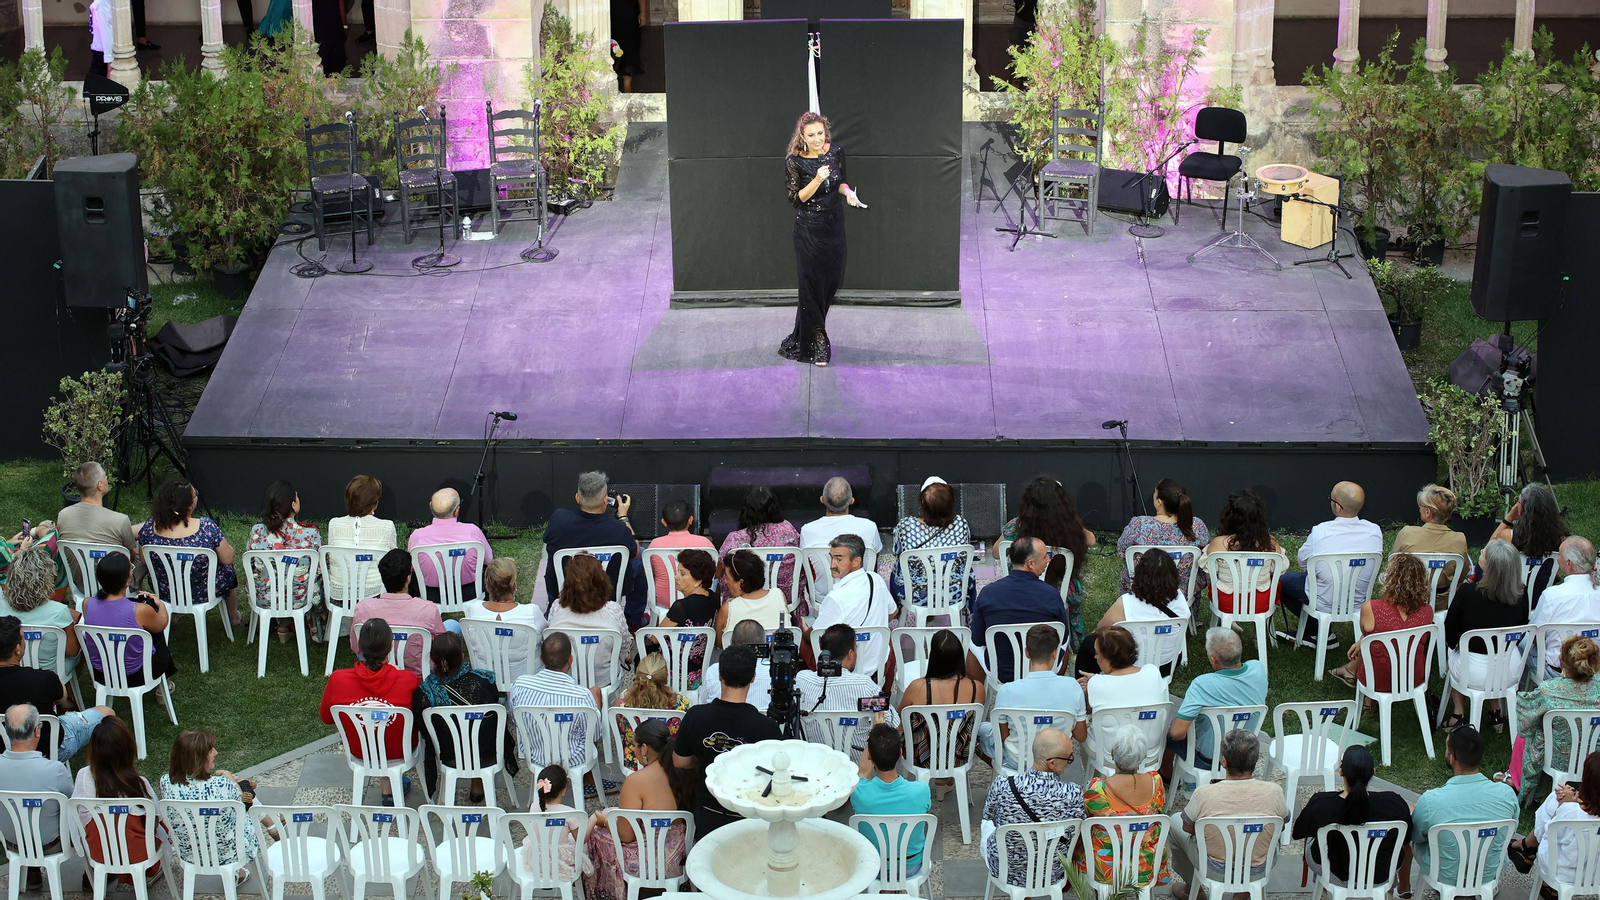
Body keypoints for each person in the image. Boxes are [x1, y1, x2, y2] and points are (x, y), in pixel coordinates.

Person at [781, 112, 864, 366]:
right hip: (808, 232)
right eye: (811, 135)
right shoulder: (794, 161)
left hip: (833, 227)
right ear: (802, 137)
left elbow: (840, 182)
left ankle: (803, 335)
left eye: (820, 133)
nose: (817, 140)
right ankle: (818, 342)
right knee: (810, 288)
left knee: (829, 284)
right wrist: (817, 178)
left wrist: (848, 192)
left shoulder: (835, 151)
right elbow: (796, 199)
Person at [672, 644, 781, 836]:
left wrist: (707, 759)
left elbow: (680, 760)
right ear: (753, 677)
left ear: (720, 675)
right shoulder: (768, 727)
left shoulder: (695, 716)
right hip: (749, 815)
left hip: (708, 812)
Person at [1168, 731, 1288, 900]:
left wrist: (1210, 832)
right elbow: (1281, 825)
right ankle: (1243, 894)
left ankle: (1193, 889)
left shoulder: (1204, 793)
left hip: (1213, 868)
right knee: (1272, 836)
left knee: (1174, 821)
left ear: (1223, 761)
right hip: (1259, 868)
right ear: (1255, 761)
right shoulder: (1274, 792)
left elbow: (1187, 827)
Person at [586, 719, 695, 900]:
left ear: (645, 749)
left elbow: (626, 836)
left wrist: (604, 820)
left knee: (596, 834)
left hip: (648, 864)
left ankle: (609, 894)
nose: (634, 750)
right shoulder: (686, 772)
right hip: (681, 858)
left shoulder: (636, 781)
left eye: (634, 746)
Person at [320, 619, 421, 805]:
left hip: (359, 753)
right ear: (391, 646)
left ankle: (388, 790)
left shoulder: (338, 679)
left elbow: (326, 718)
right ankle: (390, 788)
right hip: (400, 752)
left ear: (359, 647)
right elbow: (420, 721)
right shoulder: (409, 680)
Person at [1291, 745, 1413, 893]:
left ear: (1341, 772)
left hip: (1336, 873)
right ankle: (1399, 890)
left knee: (1313, 837)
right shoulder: (1394, 803)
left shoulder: (1321, 803)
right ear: (1373, 772)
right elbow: (1406, 839)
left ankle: (1323, 889)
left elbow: (1298, 832)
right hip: (1381, 875)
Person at [1276, 481, 1381, 648]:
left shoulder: (1321, 531)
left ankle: (1314, 630)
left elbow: (1303, 562)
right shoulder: (1375, 531)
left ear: (1337, 507)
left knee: (1279, 579)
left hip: (1322, 601)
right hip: (1358, 601)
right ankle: (1318, 632)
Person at [412, 631, 513, 803]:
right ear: (461, 655)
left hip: (448, 753)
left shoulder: (424, 691)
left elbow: (423, 729)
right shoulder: (484, 681)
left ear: (433, 659)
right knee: (482, 730)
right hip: (486, 752)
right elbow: (493, 718)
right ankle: (477, 785)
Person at [1410, 725, 1518, 885]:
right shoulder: (1507, 794)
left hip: (1445, 875)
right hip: (1489, 873)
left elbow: (1417, 837)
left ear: (1452, 758)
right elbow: (1512, 829)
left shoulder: (1430, 801)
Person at [994, 476, 1094, 649]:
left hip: (1021, 588)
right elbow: (1091, 540)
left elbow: (996, 552)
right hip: (1060, 592)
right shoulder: (1070, 528)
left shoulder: (1017, 526)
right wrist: (1069, 516)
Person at [1441, 538, 1528, 729]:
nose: (1480, 552)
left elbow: (1450, 635)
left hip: (1473, 672)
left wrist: (1455, 645)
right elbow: (1520, 631)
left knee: (1453, 653)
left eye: (1483, 553)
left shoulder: (1468, 594)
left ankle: (1458, 713)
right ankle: (1495, 709)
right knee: (1496, 655)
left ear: (1490, 566)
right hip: (1510, 669)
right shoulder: (1521, 594)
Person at [542, 472, 646, 630]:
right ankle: (633, 620)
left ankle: (552, 609)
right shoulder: (619, 530)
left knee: (554, 564)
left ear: (577, 498)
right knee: (642, 556)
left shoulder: (558, 519)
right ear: (605, 500)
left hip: (563, 587)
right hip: (606, 592)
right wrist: (623, 517)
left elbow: (547, 540)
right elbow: (635, 551)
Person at [981, 728, 1083, 887]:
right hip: (1052, 874)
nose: (1069, 761)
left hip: (1006, 871)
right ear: (1052, 763)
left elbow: (989, 816)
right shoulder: (1074, 794)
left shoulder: (1003, 785)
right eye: (1069, 758)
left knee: (987, 824)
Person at [976, 623, 1086, 769]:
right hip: (1055, 763)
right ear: (1055, 653)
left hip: (1016, 761)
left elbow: (1002, 736)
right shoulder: (1073, 687)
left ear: (1027, 652)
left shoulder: (1007, 691)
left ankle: (1008, 777)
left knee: (977, 730)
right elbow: (1081, 736)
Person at [73, 718, 166, 888]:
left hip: (99, 853)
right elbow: (155, 821)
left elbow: (80, 817)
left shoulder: (83, 776)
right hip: (138, 855)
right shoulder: (139, 783)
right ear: (127, 748)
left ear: (93, 749)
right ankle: (146, 874)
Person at [0, 618, 112, 759]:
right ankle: (89, 775)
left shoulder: (43, 679)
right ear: (17, 649)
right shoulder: (44, 678)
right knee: (106, 712)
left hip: (3, 754)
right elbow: (62, 698)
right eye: (22, 638)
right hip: (51, 749)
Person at [966, 538, 1072, 685]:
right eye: (1045, 556)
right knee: (1066, 647)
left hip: (999, 673)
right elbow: (1063, 637)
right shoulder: (1052, 595)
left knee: (971, 647)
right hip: (1042, 670)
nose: (1049, 560)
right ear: (1030, 564)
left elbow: (977, 640)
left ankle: (976, 698)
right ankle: (1050, 687)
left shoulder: (988, 593)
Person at [1163, 628, 1266, 779]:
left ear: (1213, 660)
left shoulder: (1202, 684)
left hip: (1210, 759)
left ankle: (1166, 774)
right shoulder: (1258, 669)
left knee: (1172, 732)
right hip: (1245, 755)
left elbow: (1177, 733)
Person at [137, 478, 239, 629]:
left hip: (165, 589)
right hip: (204, 591)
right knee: (229, 571)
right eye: (195, 494)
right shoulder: (206, 527)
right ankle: (233, 616)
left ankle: (175, 612)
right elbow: (227, 558)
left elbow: (145, 560)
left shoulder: (149, 527)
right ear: (190, 505)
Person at [159, 729, 260, 880]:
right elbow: (244, 805)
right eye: (211, 750)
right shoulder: (222, 785)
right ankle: (273, 827)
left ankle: (238, 873)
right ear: (198, 758)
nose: (216, 753)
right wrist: (229, 778)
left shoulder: (166, 782)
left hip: (190, 854)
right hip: (230, 854)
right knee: (246, 812)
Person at [1329, 553, 1433, 695]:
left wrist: (1362, 641)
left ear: (1389, 579)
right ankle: (1351, 674)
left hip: (1375, 679)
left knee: (1371, 643)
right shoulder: (1427, 611)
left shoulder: (1371, 608)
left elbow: (1366, 632)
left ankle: (1367, 698)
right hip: (1412, 678)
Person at [899, 628, 984, 799]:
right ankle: (945, 778)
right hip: (959, 756)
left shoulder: (918, 687)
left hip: (920, 757)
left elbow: (901, 716)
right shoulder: (977, 688)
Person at [1514, 635, 1600, 803]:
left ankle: (1518, 783)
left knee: (1530, 731)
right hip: (1595, 757)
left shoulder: (1548, 691)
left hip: (1557, 759)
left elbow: (1524, 725)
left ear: (1561, 660)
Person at [1081, 726, 1169, 887]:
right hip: (1145, 866)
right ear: (1142, 757)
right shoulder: (1156, 782)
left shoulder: (1096, 790)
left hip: (1106, 869)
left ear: (1113, 752)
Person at [509, 633, 603, 783]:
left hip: (535, 756)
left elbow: (515, 720)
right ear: (570, 660)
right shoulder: (582, 696)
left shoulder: (519, 685)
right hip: (574, 759)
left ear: (541, 658)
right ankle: (587, 778)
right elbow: (594, 734)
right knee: (595, 696)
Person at [1504, 751, 1600, 893]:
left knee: (1553, 800)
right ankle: (1526, 847)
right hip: (1595, 875)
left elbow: (1549, 834)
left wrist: (1563, 804)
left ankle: (1527, 847)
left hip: (1562, 872)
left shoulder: (1571, 811)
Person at [1085, 548, 1188, 677]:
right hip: (1167, 665)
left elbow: (1100, 630)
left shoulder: (1125, 603)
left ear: (1140, 574)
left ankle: (1088, 686)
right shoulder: (1180, 598)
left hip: (1132, 666)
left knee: (1089, 643)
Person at [349, 549, 454, 674]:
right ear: (408, 579)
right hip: (419, 672)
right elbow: (440, 647)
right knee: (453, 625)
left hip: (377, 669)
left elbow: (356, 647)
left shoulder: (363, 608)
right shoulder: (428, 609)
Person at [83, 553, 177, 690]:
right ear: (127, 581)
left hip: (101, 674)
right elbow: (162, 623)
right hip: (137, 675)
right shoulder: (140, 610)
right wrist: (159, 604)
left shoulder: (87, 603)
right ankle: (164, 686)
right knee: (156, 635)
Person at [797, 625, 898, 751]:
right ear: (850, 654)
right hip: (860, 764)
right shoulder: (864, 686)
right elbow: (893, 721)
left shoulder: (802, 680)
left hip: (817, 761)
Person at [807, 534, 894, 679]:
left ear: (856, 561)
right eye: (832, 557)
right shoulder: (876, 579)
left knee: (805, 644)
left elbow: (815, 636)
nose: (832, 565)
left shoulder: (835, 597)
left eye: (839, 559)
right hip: (880, 666)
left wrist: (805, 629)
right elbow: (893, 612)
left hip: (847, 668)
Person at [246, 479, 323, 641]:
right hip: (299, 600)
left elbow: (251, 567)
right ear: (293, 505)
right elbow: (321, 568)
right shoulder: (310, 534)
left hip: (263, 600)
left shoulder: (257, 532)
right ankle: (307, 626)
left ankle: (283, 626)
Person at [852, 720, 933, 874]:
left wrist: (874, 732)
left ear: (869, 755)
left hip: (873, 868)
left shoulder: (859, 792)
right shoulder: (921, 790)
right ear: (901, 754)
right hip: (912, 866)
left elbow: (862, 773)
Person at [546, 553, 633, 689]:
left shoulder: (557, 607)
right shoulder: (614, 610)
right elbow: (624, 645)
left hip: (566, 679)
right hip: (605, 680)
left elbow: (550, 639)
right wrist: (625, 656)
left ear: (568, 583)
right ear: (602, 580)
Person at [0, 547, 83, 682]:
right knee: (81, 647)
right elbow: (72, 651)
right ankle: (69, 696)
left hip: (12, 669)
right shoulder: (59, 612)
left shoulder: (1, 607)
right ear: (45, 581)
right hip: (51, 674)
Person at [890, 476, 973, 611]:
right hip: (954, 595)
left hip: (916, 596)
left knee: (897, 566)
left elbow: (895, 551)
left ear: (922, 505)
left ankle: (896, 610)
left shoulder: (905, 526)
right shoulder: (961, 524)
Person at [0, 704, 74, 852]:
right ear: (37, 731)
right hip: (52, 845)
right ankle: (96, 873)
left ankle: (31, 872)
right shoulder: (55, 770)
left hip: (13, 845)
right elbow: (74, 805)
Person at [1115, 478, 1209, 595]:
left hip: (1142, 594)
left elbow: (1121, 553)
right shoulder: (1197, 526)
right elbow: (1206, 558)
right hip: (1182, 597)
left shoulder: (1138, 525)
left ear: (1159, 502)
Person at [1202, 488, 1285, 620]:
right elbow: (1278, 573)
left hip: (1226, 602)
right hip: (1261, 602)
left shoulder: (1219, 543)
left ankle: (1228, 623)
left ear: (1228, 516)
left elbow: (1209, 575)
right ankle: (1258, 632)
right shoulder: (1270, 542)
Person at [1484, 482, 1568, 610]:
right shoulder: (1558, 536)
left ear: (1523, 508)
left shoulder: (1508, 536)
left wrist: (1508, 518)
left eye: (1518, 501)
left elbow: (1489, 550)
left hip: (1512, 600)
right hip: (1541, 599)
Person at [461, 557, 546, 682]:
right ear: (514, 585)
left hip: (485, 677)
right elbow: (547, 636)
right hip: (526, 679)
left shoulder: (472, 609)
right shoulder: (531, 612)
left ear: (488, 586)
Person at [717, 486, 802, 609]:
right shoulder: (788, 530)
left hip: (744, 599)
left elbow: (719, 571)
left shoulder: (735, 539)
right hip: (785, 598)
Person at [56, 462, 140, 582]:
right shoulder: (120, 520)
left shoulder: (63, 515)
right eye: (105, 476)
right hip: (115, 585)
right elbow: (130, 556)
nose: (107, 479)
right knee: (141, 548)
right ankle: (134, 595)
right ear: (100, 485)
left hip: (81, 583)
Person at [407, 488, 493, 604]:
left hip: (429, 594)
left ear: (430, 505)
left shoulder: (417, 536)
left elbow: (411, 568)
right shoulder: (473, 531)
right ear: (457, 511)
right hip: (470, 592)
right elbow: (488, 560)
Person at [1530, 536, 1600, 678]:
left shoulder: (1552, 596)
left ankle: (1529, 693)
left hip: (1557, 671)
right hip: (1594, 669)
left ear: (1569, 563)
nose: (1558, 559)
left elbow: (1535, 636)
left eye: (1560, 555)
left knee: (1522, 645)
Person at [651, 549, 717, 691]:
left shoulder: (681, 607)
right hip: (700, 670)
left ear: (698, 581)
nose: (676, 577)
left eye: (682, 574)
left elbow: (655, 638)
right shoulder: (713, 598)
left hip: (673, 672)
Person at [325, 474, 398, 599]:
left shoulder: (334, 524)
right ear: (375, 504)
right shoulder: (387, 526)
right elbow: (394, 563)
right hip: (374, 596)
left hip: (339, 597)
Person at [614, 652, 690, 770]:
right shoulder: (681, 704)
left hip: (635, 763)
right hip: (671, 764)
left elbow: (622, 730)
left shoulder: (623, 702)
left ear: (637, 676)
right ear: (666, 679)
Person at [1389, 484, 1469, 593]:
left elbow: (1392, 568)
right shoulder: (1459, 539)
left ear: (1428, 512)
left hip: (1408, 600)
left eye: (1420, 505)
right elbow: (1462, 574)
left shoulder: (1407, 533)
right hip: (1442, 601)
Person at [1079, 625, 1167, 721]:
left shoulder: (1096, 683)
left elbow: (1089, 711)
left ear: (1108, 657)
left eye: (1097, 653)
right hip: (1152, 734)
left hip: (1108, 736)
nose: (1095, 657)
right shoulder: (1152, 672)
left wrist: (1091, 686)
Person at [644, 501, 715, 611]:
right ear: (690, 520)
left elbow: (647, 573)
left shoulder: (655, 545)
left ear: (664, 522)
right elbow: (717, 572)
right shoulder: (704, 543)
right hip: (699, 600)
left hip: (664, 602)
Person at [799, 476, 883, 564]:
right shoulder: (869, 527)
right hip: (860, 578)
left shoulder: (807, 530)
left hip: (820, 578)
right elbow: (874, 560)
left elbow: (805, 564)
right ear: (852, 501)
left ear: (822, 499)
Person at [519, 765, 582, 881]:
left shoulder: (534, 806)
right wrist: (593, 821)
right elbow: (581, 839)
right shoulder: (570, 813)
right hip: (562, 860)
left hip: (537, 859)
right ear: (563, 790)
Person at [716, 549, 787, 648]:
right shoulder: (779, 595)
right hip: (778, 661)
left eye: (727, 577)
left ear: (741, 582)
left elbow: (720, 643)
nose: (725, 581)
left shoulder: (728, 609)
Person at [700, 619, 772, 709]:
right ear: (764, 644)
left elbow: (703, 704)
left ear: (730, 642)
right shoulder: (775, 672)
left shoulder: (713, 671)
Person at [609, 0, 645, 93]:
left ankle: (627, 83)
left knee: (630, 44)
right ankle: (610, 83)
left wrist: (643, 12)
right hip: (609, 11)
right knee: (612, 43)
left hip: (629, 12)